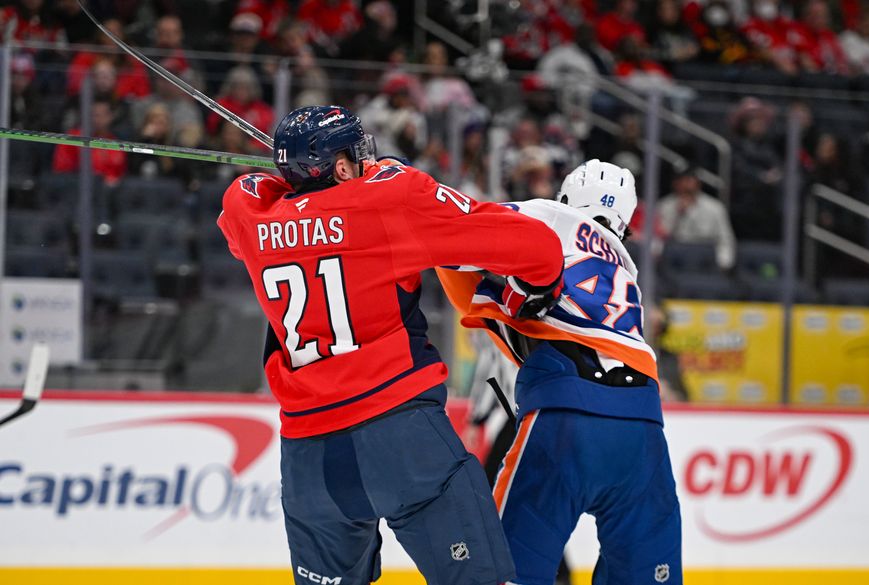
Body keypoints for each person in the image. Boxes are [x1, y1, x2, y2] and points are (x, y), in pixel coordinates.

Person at [216, 105, 565, 585]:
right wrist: (390, 180)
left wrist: (305, 181)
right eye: (356, 155)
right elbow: (538, 249)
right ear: (341, 166)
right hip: (401, 437)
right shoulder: (392, 201)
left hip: (309, 459)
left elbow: (255, 196)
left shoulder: (247, 217)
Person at [439, 160, 682, 585]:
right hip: (642, 427)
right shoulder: (626, 270)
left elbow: (458, 228)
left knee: (504, 571)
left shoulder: (550, 218)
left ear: (567, 197)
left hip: (567, 416)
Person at [657, 165, 737, 270]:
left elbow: (726, 240)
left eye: (690, 180)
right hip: (674, 259)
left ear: (698, 184)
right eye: (682, 180)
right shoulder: (664, 206)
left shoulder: (714, 207)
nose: (686, 184)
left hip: (705, 258)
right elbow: (659, 238)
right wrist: (679, 213)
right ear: (675, 184)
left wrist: (722, 263)